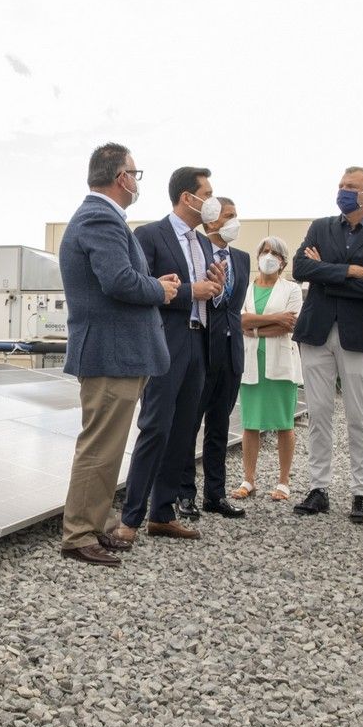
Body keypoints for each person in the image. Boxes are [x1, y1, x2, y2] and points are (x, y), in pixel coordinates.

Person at [58, 143, 181, 567]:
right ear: (120, 177)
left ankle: (90, 524)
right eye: (134, 172)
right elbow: (118, 282)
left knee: (108, 447)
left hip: (119, 353)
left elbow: (121, 278)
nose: (136, 180)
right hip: (110, 354)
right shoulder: (98, 216)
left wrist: (151, 282)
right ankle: (77, 535)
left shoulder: (104, 218)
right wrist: (159, 289)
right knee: (100, 447)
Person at [114, 167, 227, 543]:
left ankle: (162, 514)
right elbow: (142, 288)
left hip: (199, 342)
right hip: (165, 342)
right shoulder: (150, 236)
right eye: (207, 194)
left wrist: (217, 287)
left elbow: (207, 292)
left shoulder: (205, 243)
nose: (212, 201)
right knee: (156, 427)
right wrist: (188, 292)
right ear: (186, 197)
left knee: (183, 432)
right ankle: (130, 517)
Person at [290, 166, 363, 522]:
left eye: (351, 186)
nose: (344, 191)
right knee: (318, 413)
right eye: (340, 185)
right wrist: (351, 270)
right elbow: (300, 269)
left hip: (357, 334)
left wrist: (327, 271)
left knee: (358, 415)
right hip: (317, 331)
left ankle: (361, 492)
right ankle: (318, 487)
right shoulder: (321, 226)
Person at [176, 197, 249, 520]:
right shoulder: (196, 253)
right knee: (190, 425)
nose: (235, 221)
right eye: (229, 215)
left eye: (236, 215)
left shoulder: (243, 259)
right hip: (202, 349)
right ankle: (184, 494)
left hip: (232, 352)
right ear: (212, 221)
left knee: (220, 426)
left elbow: (234, 308)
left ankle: (215, 495)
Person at [232, 235, 302, 501]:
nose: (269, 256)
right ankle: (248, 479)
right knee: (250, 423)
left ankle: (283, 481)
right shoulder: (246, 288)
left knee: (285, 423)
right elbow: (239, 320)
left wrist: (255, 327)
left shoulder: (291, 290)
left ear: (283, 262)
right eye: (265, 251)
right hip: (252, 363)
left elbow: (290, 324)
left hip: (280, 363)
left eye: (275, 253)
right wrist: (272, 319)